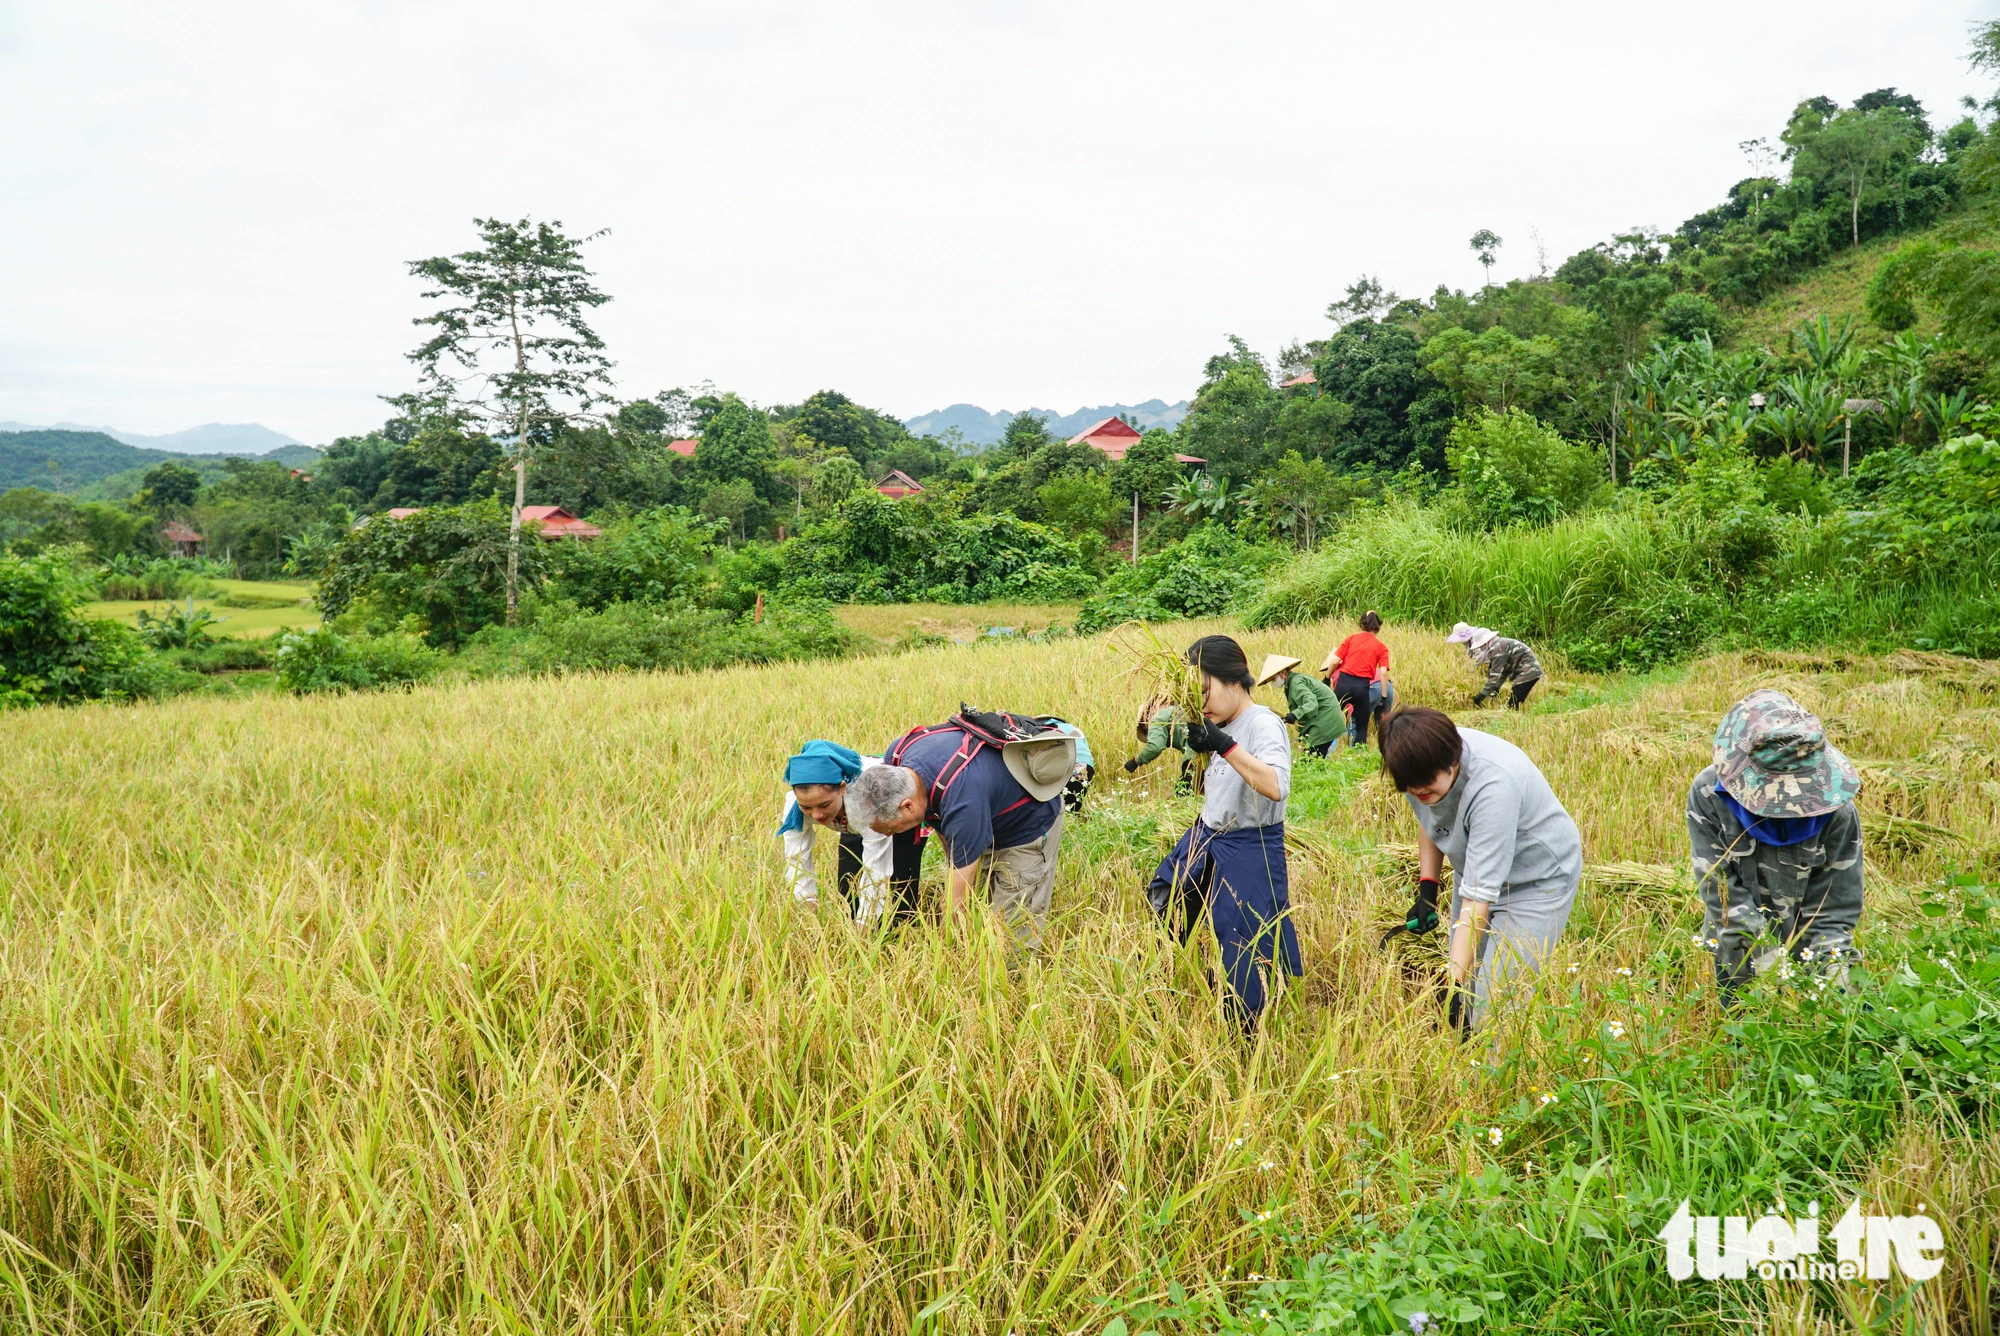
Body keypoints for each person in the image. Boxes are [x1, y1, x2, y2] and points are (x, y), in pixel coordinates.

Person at [1378, 705, 1581, 1032]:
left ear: (1453, 758)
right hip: (1476, 869)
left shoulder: (1492, 786)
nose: (1418, 792)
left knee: (1497, 994)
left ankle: (1493, 1071)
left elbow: (1477, 902)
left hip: (1537, 880)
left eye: (1425, 785)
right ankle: (1468, 1057)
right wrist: (1427, 889)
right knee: (1468, 979)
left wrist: (1450, 983)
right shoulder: (1416, 765)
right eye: (1410, 787)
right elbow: (1432, 821)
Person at [1146, 635, 1300, 1037]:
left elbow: (1276, 784)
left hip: (1250, 846)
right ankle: (1193, 985)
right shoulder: (1222, 722)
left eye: (1204, 691)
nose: (1203, 703)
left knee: (1246, 947)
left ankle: (1248, 1035)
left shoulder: (1262, 722)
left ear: (1233, 679)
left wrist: (1224, 745)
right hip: (1209, 835)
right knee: (1167, 898)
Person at [1688, 689, 1863, 1009]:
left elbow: (1834, 910)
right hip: (1738, 946)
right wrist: (1766, 960)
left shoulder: (1838, 813)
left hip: (1809, 946)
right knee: (1744, 1031)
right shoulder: (1708, 797)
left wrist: (1837, 981)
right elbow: (1721, 891)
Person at [847, 715, 1071, 951]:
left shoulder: (963, 802)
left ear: (907, 806)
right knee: (982, 908)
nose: (891, 835)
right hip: (984, 814)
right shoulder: (897, 757)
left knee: (1011, 931)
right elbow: (944, 826)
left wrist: (945, 957)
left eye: (891, 829)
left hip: (1027, 824)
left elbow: (957, 906)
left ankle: (1016, 979)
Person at [777, 740, 925, 925]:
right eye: (807, 807)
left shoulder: (872, 800)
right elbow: (797, 865)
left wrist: (861, 935)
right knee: (848, 892)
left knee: (899, 896)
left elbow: (877, 873)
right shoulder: (794, 809)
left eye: (824, 805)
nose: (817, 814)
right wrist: (811, 925)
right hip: (848, 816)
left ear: (842, 788)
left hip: (895, 814)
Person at [1254, 654, 1344, 758]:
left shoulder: (1296, 683)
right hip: (1326, 719)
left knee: (1311, 761)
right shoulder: (1294, 681)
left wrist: (1294, 715)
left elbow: (1311, 703)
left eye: (1273, 679)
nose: (1273, 683)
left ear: (1283, 673)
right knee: (1313, 759)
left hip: (1325, 722)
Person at [1322, 612, 1392, 746]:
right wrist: (1383, 697)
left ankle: (1323, 752)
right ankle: (1358, 755)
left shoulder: (1351, 639)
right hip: (1362, 687)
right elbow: (1383, 673)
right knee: (1361, 727)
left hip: (1344, 684)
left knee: (1329, 717)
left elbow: (1335, 661)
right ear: (1378, 627)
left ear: (1362, 624)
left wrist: (1326, 678)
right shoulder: (1381, 647)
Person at [1446, 622, 1543, 709]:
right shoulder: (1498, 646)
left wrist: (1482, 695)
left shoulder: (1498, 649)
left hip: (1529, 671)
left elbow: (1494, 675)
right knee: (1513, 701)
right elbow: (1503, 672)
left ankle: (1515, 721)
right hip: (1525, 671)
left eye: (1481, 646)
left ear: (1486, 642)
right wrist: (1495, 688)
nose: (1482, 648)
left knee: (1514, 702)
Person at [1126, 699, 1197, 793]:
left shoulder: (1157, 718)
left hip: (1195, 750)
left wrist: (1135, 761)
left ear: (1145, 719)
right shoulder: (1174, 710)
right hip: (1209, 746)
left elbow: (1155, 747)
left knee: (1183, 792)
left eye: (1144, 728)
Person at [1045, 717, 1096, 814]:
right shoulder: (1072, 728)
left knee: (1057, 810)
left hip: (1066, 764)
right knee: (1073, 807)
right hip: (1086, 766)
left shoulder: (1043, 728)